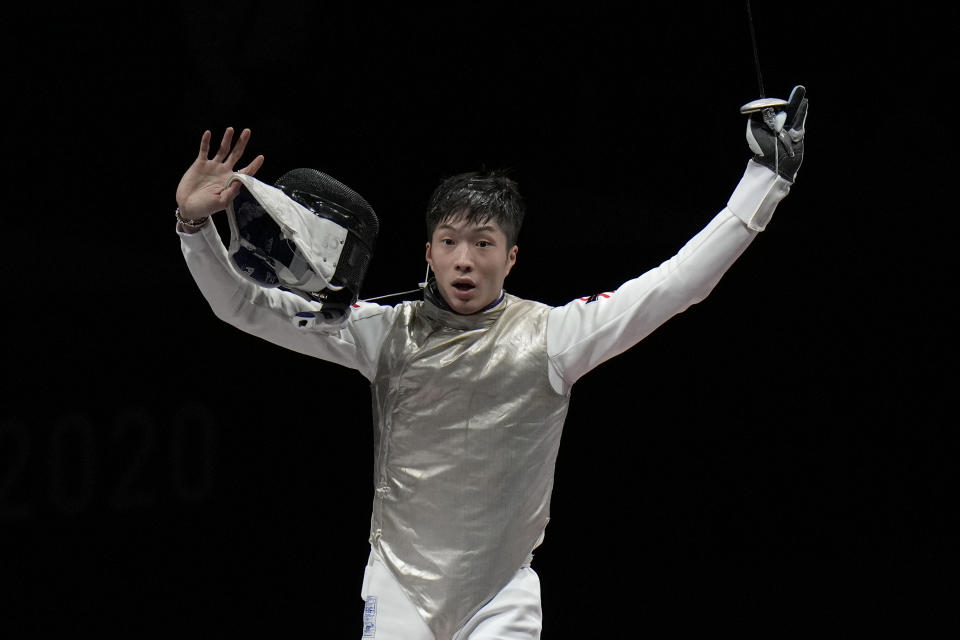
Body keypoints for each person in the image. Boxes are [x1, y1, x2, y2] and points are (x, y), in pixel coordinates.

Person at [174, 87, 808, 640]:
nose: (464, 260)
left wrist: (766, 180)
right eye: (449, 244)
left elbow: (676, 285)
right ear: (428, 253)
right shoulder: (383, 333)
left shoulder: (554, 337)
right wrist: (193, 227)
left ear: (511, 260)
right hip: (399, 588)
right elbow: (243, 306)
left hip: (499, 596)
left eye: (483, 245)